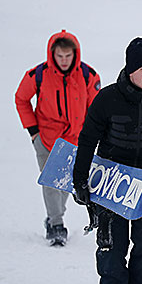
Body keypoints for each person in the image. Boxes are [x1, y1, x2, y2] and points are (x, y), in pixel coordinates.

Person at [72, 37, 142, 284]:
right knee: (111, 248)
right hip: (111, 183)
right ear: (130, 71)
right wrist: (79, 179)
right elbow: (87, 139)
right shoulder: (107, 98)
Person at [15, 29, 101, 245]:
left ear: (75, 54)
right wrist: (33, 132)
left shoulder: (88, 76)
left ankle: (56, 213)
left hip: (76, 142)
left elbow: (97, 108)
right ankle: (56, 224)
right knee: (52, 182)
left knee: (67, 184)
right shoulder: (38, 75)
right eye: (59, 56)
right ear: (52, 54)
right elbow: (21, 99)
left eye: (68, 56)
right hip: (46, 139)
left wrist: (93, 135)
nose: (63, 61)